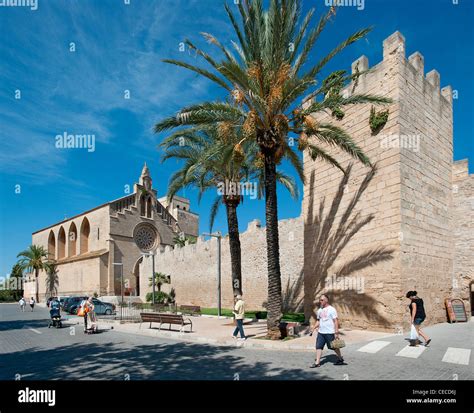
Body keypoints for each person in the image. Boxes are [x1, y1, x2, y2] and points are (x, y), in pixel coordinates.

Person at [310, 294, 345, 368]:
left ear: (326, 300)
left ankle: (340, 358)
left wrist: (336, 332)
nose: (320, 301)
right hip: (321, 332)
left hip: (329, 332)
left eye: (322, 300)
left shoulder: (332, 309)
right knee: (318, 346)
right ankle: (317, 362)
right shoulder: (319, 310)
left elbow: (335, 321)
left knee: (333, 347)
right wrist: (313, 328)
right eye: (320, 300)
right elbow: (318, 321)